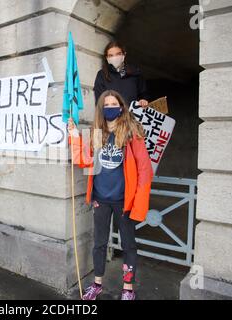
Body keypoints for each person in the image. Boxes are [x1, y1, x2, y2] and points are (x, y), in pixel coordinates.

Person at [68, 90, 153, 300]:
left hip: (125, 201)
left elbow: (144, 169)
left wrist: (139, 201)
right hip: (101, 198)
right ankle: (97, 285)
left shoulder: (133, 132)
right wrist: (73, 136)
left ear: (121, 107)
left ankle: (128, 289)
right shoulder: (98, 132)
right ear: (100, 109)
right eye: (105, 105)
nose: (110, 108)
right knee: (99, 242)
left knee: (128, 245)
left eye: (113, 104)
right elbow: (86, 161)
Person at [94, 41, 149, 108]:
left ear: (124, 54)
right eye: (111, 55)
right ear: (107, 58)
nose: (115, 57)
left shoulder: (135, 73)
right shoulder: (102, 75)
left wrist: (143, 101)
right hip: (112, 116)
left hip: (132, 116)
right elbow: (99, 102)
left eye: (118, 54)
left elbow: (143, 95)